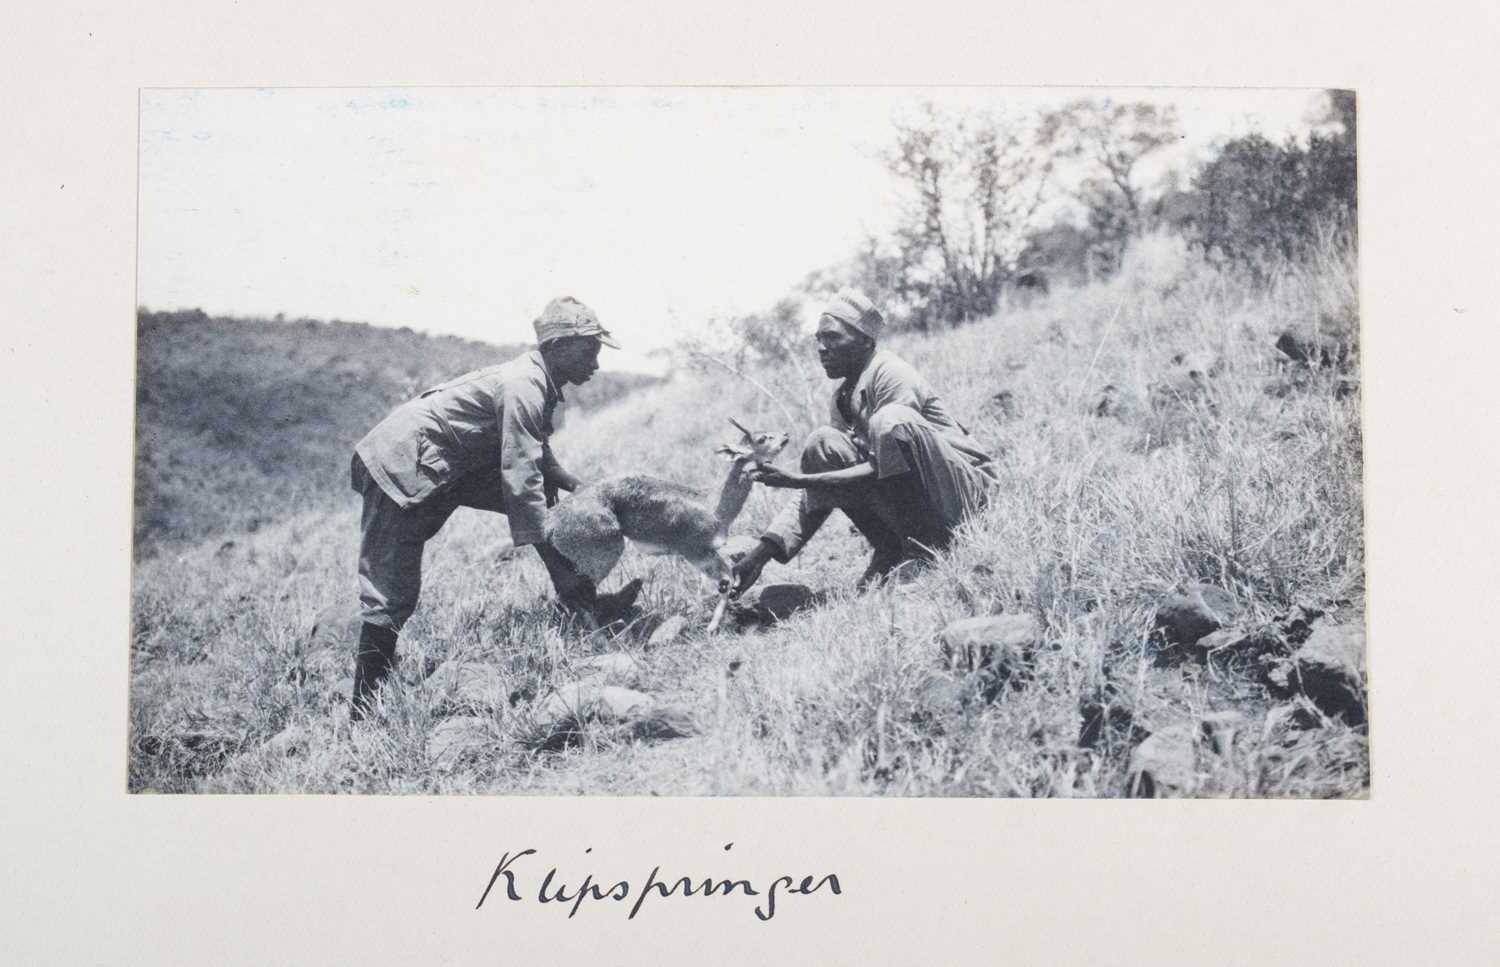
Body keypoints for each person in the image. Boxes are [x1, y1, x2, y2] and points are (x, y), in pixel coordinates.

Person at [347, 296, 618, 720]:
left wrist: (570, 483)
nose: (596, 365)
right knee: (393, 590)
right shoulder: (524, 385)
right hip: (399, 465)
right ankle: (363, 708)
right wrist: (539, 526)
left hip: (445, 462)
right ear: (560, 346)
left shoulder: (535, 378)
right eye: (590, 352)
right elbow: (520, 472)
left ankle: (577, 600)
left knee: (543, 495)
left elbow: (534, 450)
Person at [731, 288, 999, 594]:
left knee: (890, 421)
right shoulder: (843, 397)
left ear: (865, 340)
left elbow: (886, 459)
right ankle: (891, 549)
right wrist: (761, 554)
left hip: (964, 495)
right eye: (818, 339)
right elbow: (817, 485)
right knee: (823, 444)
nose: (821, 348)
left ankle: (923, 551)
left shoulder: (889, 371)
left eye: (832, 337)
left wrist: (798, 479)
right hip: (922, 505)